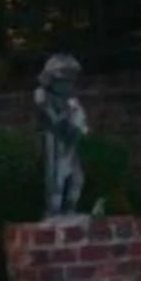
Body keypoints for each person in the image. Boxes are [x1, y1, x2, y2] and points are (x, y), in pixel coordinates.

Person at [33, 52, 89, 215]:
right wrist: (67, 117)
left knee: (77, 179)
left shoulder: (70, 97)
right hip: (54, 140)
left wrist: (78, 125)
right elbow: (52, 119)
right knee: (56, 177)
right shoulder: (42, 95)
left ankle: (70, 209)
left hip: (70, 140)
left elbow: (80, 117)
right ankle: (54, 211)